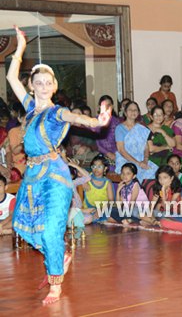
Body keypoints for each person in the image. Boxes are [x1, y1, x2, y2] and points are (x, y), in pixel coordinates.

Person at [6, 26, 111, 305]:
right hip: (32, 176)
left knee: (52, 230)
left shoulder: (56, 112)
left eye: (47, 82)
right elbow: (10, 77)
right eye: (37, 82)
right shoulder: (29, 107)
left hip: (55, 176)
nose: (42, 86)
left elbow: (76, 118)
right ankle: (59, 255)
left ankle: (56, 284)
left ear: (53, 86)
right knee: (22, 225)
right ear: (32, 86)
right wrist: (20, 48)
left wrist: (97, 121)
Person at [115, 101, 158, 182]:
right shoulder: (120, 128)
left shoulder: (141, 128)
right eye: (130, 110)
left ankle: (146, 194)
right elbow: (121, 150)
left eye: (135, 110)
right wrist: (138, 163)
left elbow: (146, 147)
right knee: (133, 172)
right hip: (125, 160)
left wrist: (145, 160)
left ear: (138, 113)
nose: (133, 112)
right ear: (125, 112)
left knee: (156, 171)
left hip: (141, 159)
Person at [83, 154, 114, 223]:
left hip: (103, 209)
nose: (96, 169)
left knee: (113, 215)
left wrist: (100, 210)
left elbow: (111, 200)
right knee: (86, 217)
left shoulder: (107, 182)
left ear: (105, 168)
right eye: (94, 166)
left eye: (99, 166)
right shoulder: (87, 179)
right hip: (89, 209)